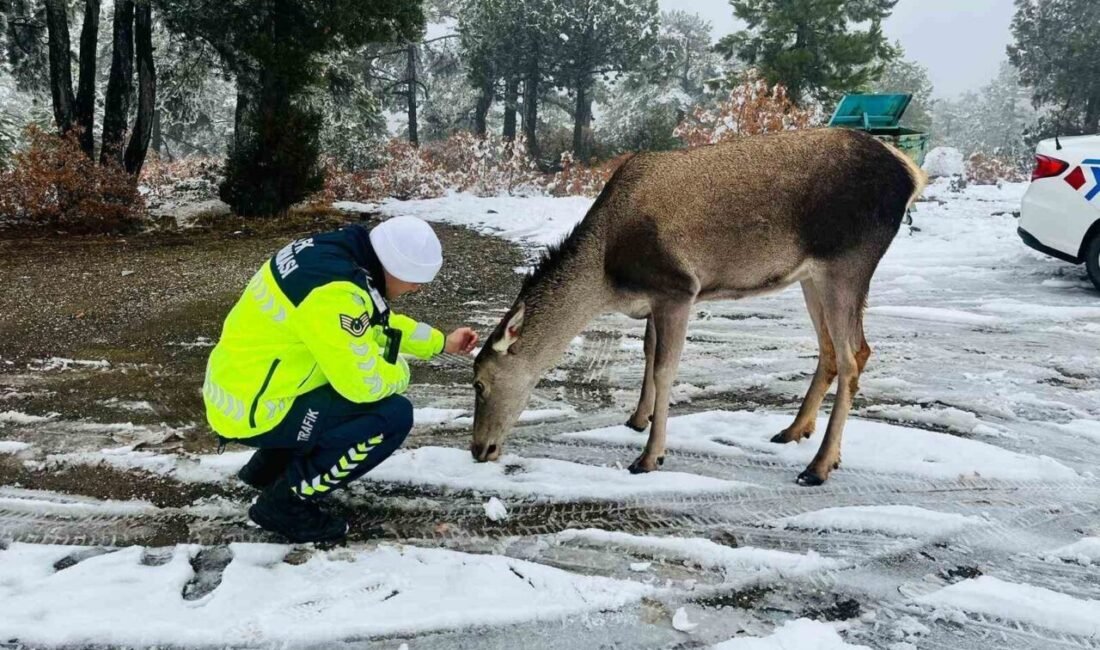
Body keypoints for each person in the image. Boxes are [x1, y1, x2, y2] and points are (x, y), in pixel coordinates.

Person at [203, 216, 478, 543]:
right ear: (396, 268)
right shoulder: (335, 295)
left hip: (243, 388)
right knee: (390, 415)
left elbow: (376, 322)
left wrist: (440, 342)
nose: (418, 289)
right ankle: (285, 503)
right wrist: (400, 372)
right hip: (257, 410)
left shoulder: (335, 257)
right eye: (415, 281)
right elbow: (363, 385)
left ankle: (267, 470)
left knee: (337, 378)